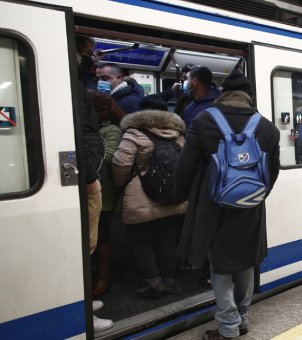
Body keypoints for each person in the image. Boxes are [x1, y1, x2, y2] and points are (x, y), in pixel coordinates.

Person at [173, 70, 280, 340]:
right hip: (250, 205)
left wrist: (180, 194)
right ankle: (241, 318)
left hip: (212, 205)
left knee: (219, 263)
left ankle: (228, 327)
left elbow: (186, 166)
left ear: (223, 94)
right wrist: (255, 195)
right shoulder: (267, 127)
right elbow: (273, 171)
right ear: (248, 97)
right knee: (245, 259)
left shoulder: (204, 120)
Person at [112, 95, 187, 298]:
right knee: (169, 240)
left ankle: (153, 283)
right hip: (173, 195)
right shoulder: (178, 134)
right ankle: (169, 280)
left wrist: (123, 183)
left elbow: (121, 164)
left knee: (140, 241)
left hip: (140, 197)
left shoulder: (134, 133)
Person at [75, 37, 112, 332]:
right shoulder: (77, 87)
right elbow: (85, 135)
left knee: (88, 244)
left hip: (86, 174)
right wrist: (89, 175)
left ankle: (83, 303)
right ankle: (82, 313)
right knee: (84, 245)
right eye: (88, 53)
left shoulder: (77, 83)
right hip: (85, 177)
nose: (93, 58)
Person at [90, 91, 126, 298]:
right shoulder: (90, 128)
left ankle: (105, 276)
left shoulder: (111, 130)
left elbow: (111, 157)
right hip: (93, 186)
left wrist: (87, 159)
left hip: (105, 188)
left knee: (102, 233)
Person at [181, 66, 222, 130]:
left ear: (195, 82)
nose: (185, 82)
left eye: (187, 79)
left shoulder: (214, 107)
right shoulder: (191, 104)